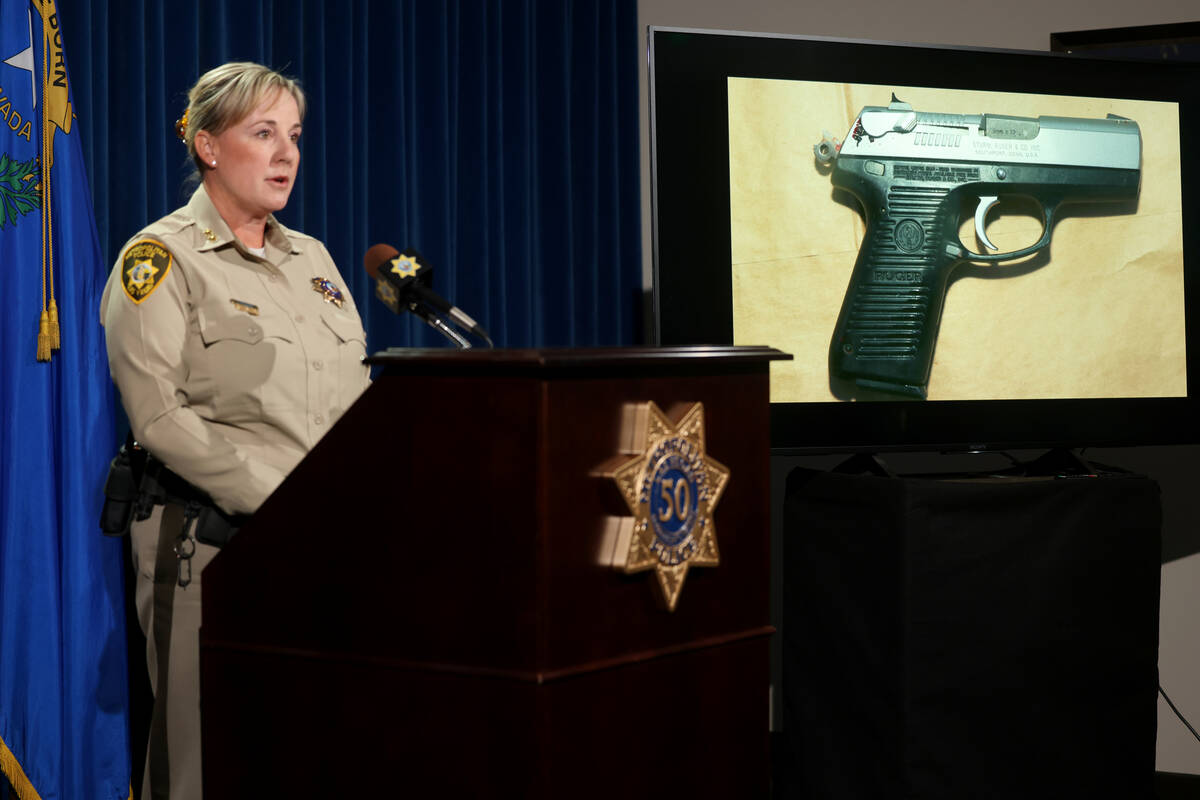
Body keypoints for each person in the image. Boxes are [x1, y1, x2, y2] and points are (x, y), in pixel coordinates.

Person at [99, 62, 371, 800]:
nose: (287, 153)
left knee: (311, 744)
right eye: (264, 133)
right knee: (202, 761)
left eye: (295, 135)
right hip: (209, 547)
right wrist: (284, 505)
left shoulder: (312, 259)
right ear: (209, 146)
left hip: (323, 549)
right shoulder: (160, 259)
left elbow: (354, 397)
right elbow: (158, 417)